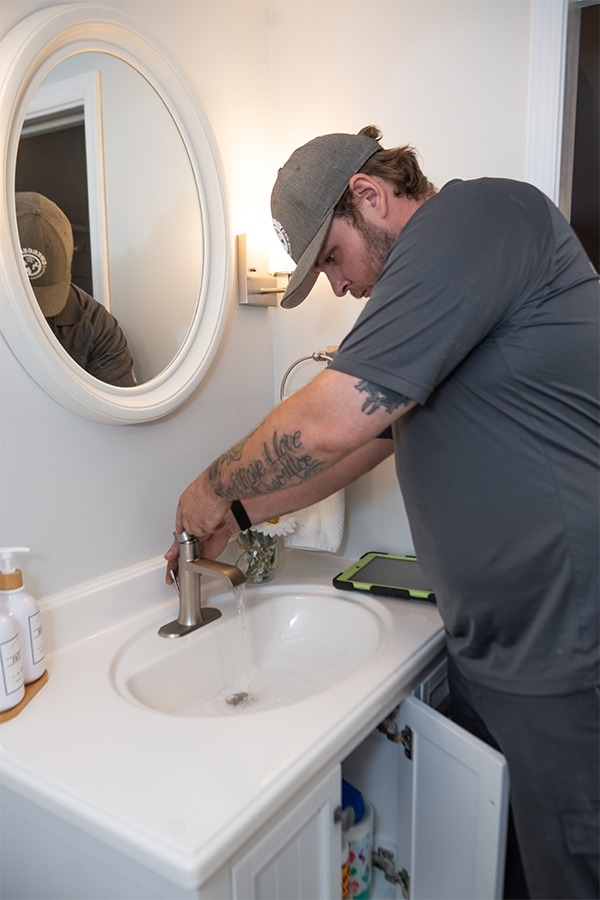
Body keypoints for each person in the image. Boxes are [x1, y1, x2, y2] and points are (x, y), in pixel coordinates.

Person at [165, 126, 599, 899]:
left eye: (331, 258)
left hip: (567, 651)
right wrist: (233, 513)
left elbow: (332, 421)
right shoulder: (447, 297)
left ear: (369, 196)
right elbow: (361, 446)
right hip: (496, 649)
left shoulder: (478, 220)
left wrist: (207, 485)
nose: (337, 287)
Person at [16, 192, 136, 387]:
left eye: (43, 300)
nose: (33, 314)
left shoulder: (98, 329)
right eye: (19, 298)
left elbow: (118, 409)